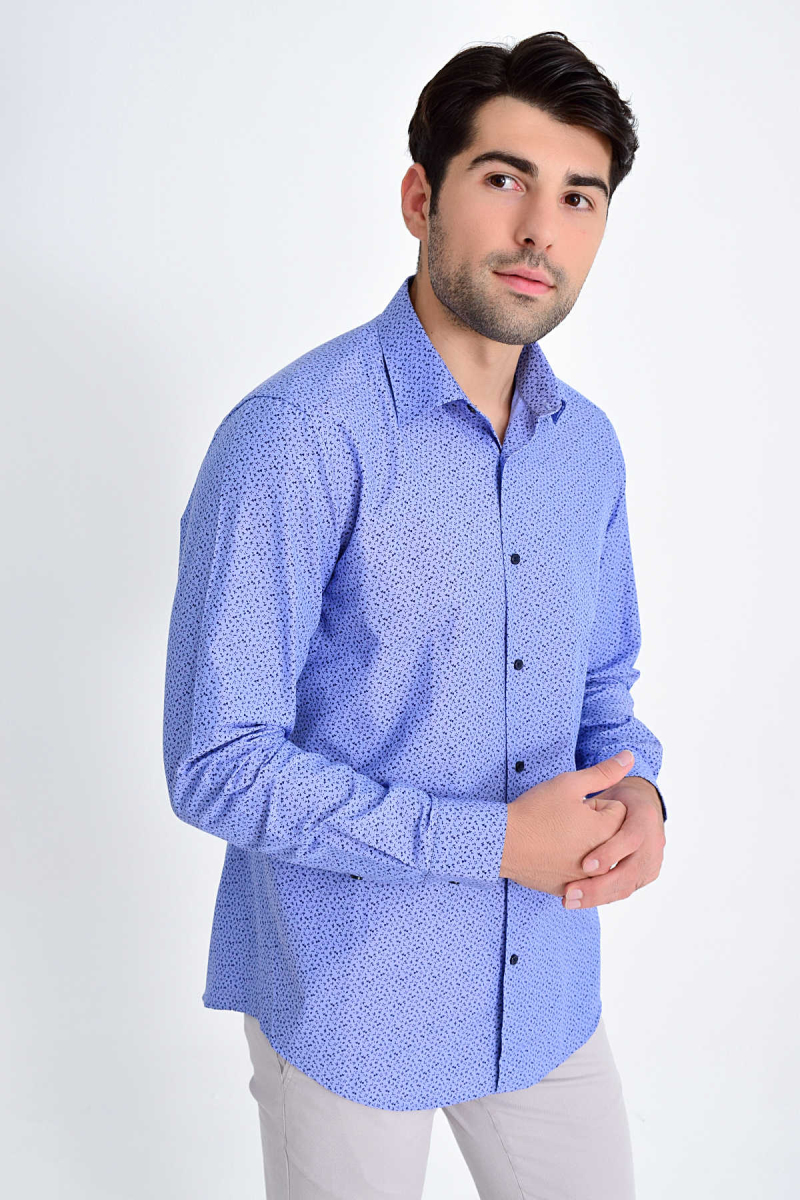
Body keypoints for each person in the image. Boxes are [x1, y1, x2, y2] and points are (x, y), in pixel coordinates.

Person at [162, 29, 667, 1200]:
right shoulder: (296, 436)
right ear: (419, 198)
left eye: (577, 196)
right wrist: (489, 843)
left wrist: (640, 793)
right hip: (350, 999)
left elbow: (602, 689)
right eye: (503, 179)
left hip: (541, 984)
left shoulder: (585, 450)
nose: (539, 230)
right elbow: (217, 763)